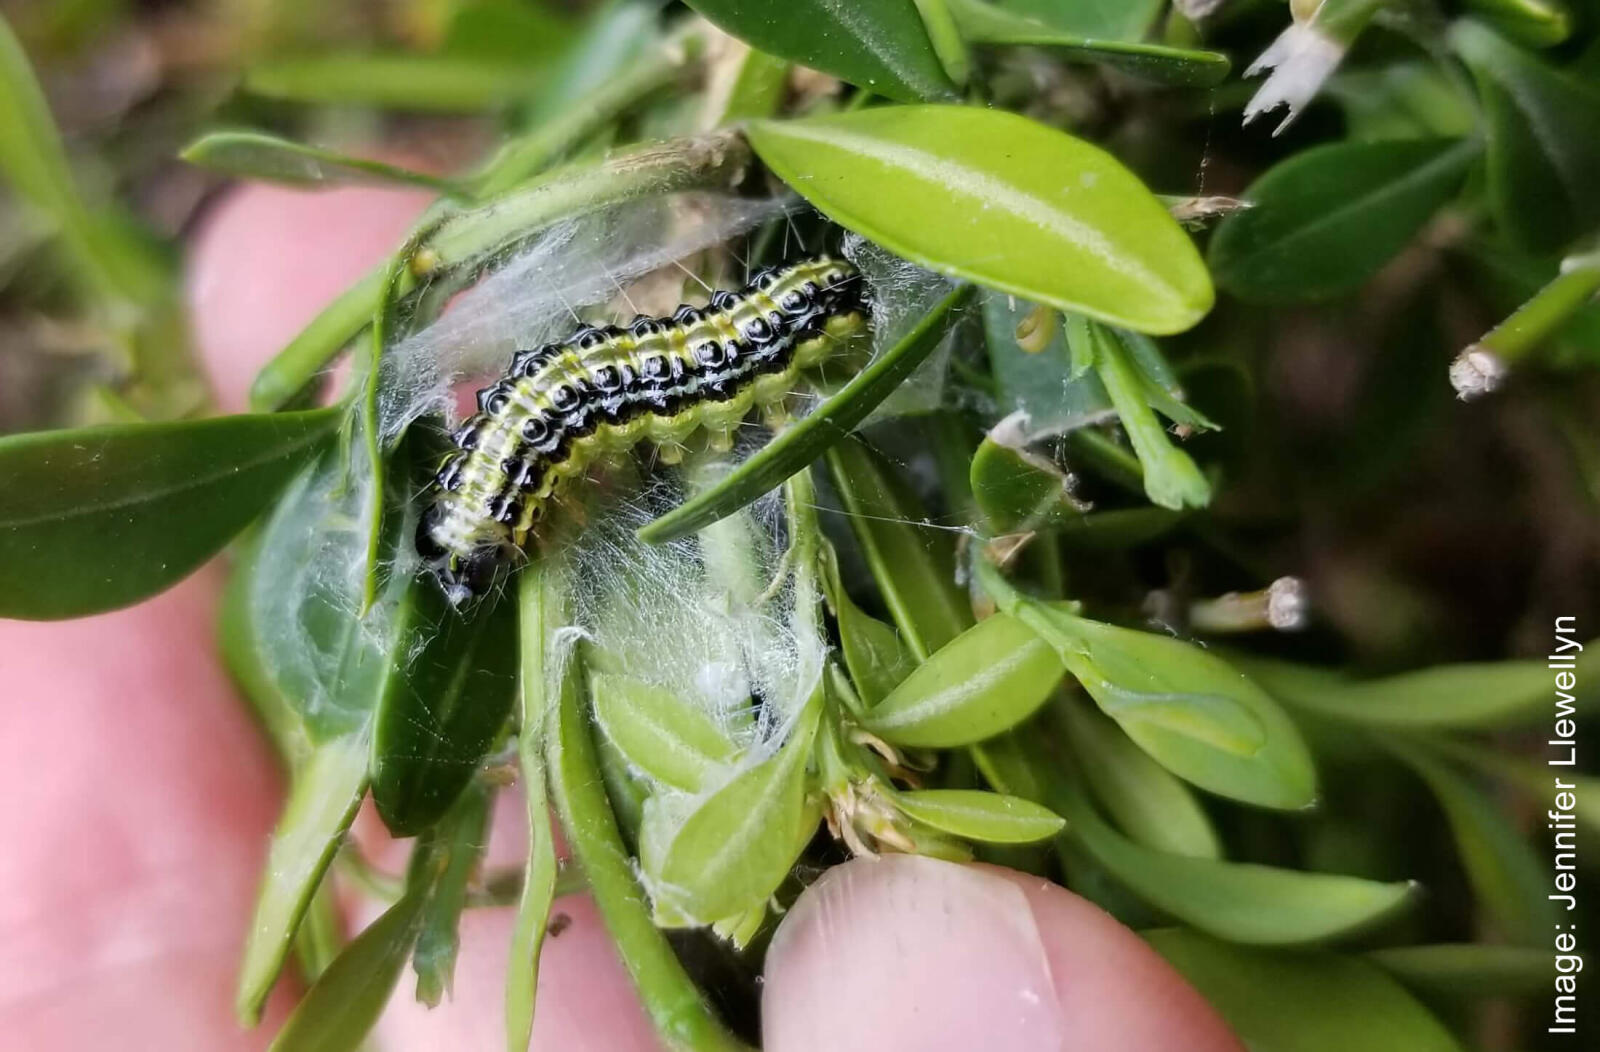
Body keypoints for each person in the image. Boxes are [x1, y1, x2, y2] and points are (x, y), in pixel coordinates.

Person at [0, 178, 1244, 1052]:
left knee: (692, 359)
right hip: (727, 342)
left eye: (493, 529)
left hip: (777, 327)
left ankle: (799, 316)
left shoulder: (564, 428)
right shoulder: (533, 437)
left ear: (509, 501)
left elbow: (589, 399)